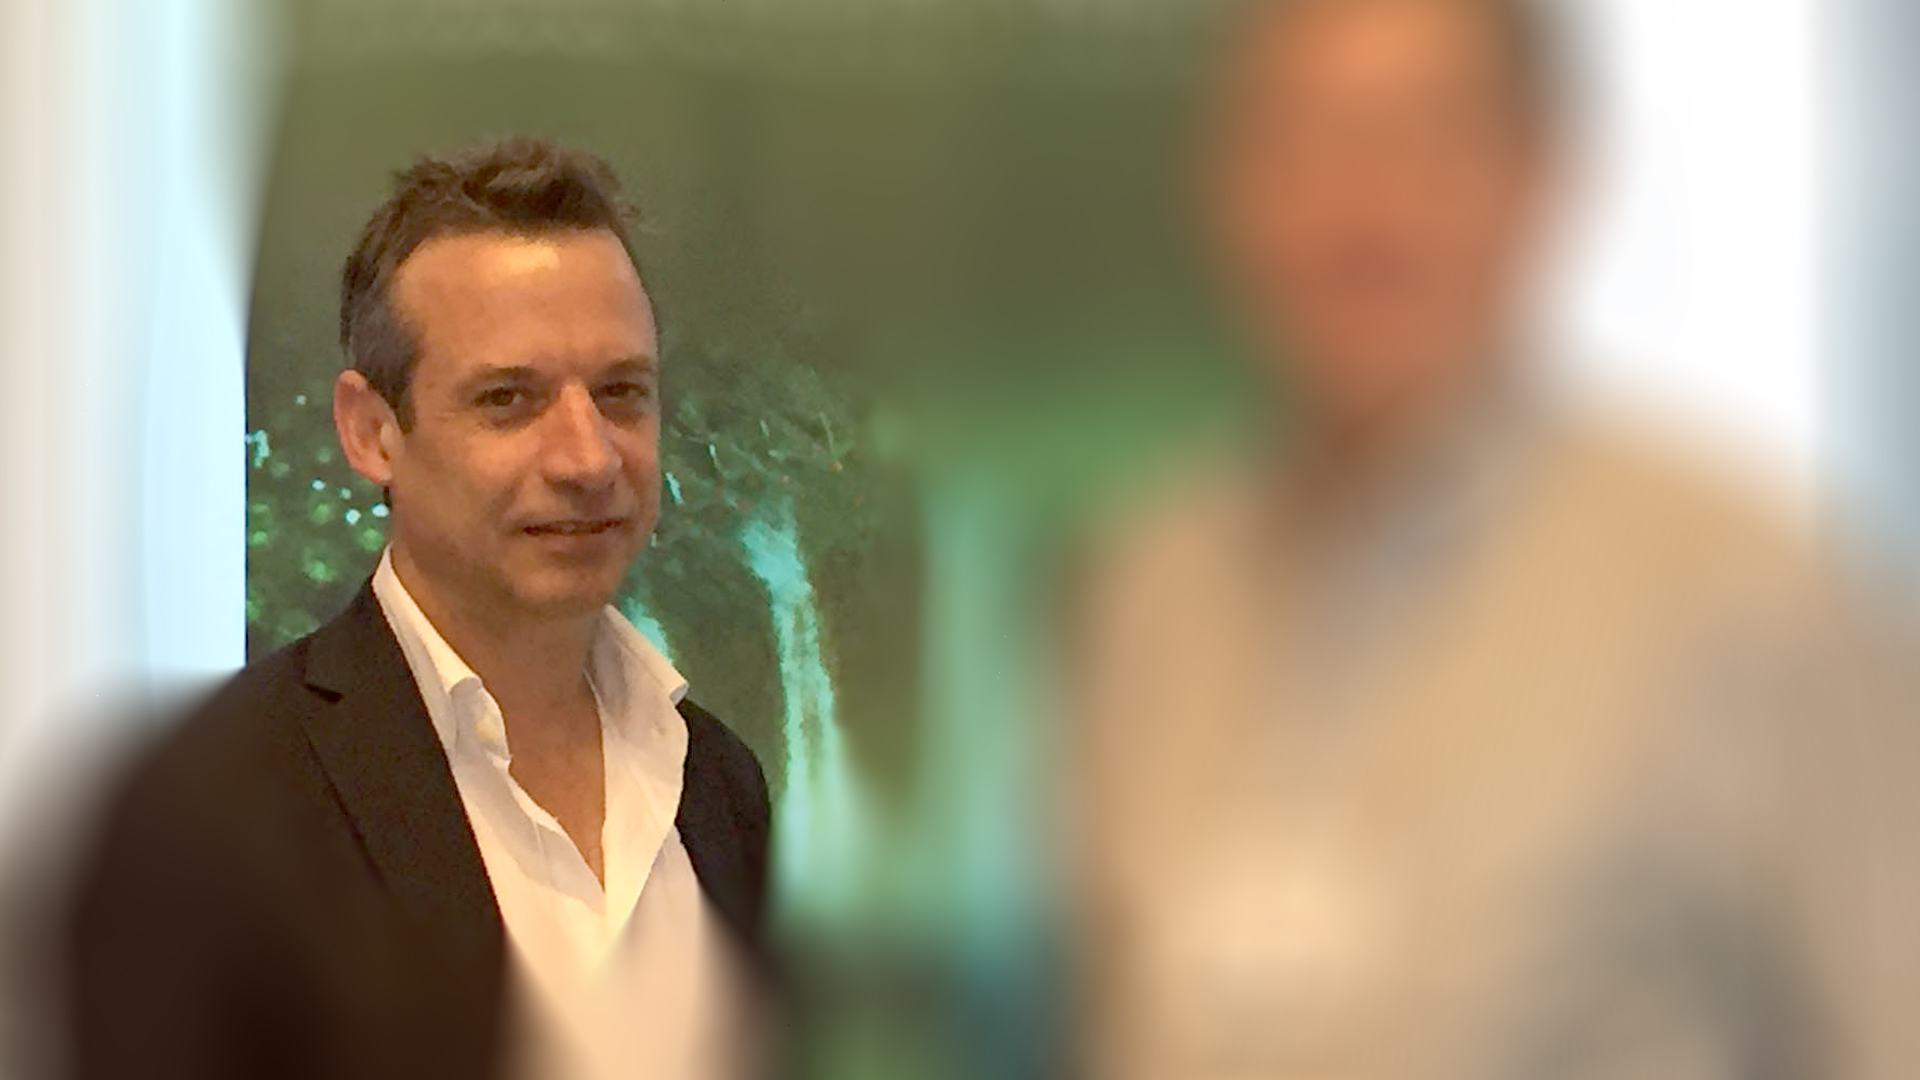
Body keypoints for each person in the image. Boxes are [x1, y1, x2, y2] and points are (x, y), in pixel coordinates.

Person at [1070, 1, 1919, 1077]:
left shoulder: (1748, 591)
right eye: (1306, 137)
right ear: (1225, 185)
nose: (1362, 205)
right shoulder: (1148, 584)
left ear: (1541, 175)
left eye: (1424, 137)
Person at [63, 137, 771, 1080]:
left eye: (621, 393)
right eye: (508, 399)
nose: (589, 456)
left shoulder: (716, 785)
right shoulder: (211, 803)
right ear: (371, 432)